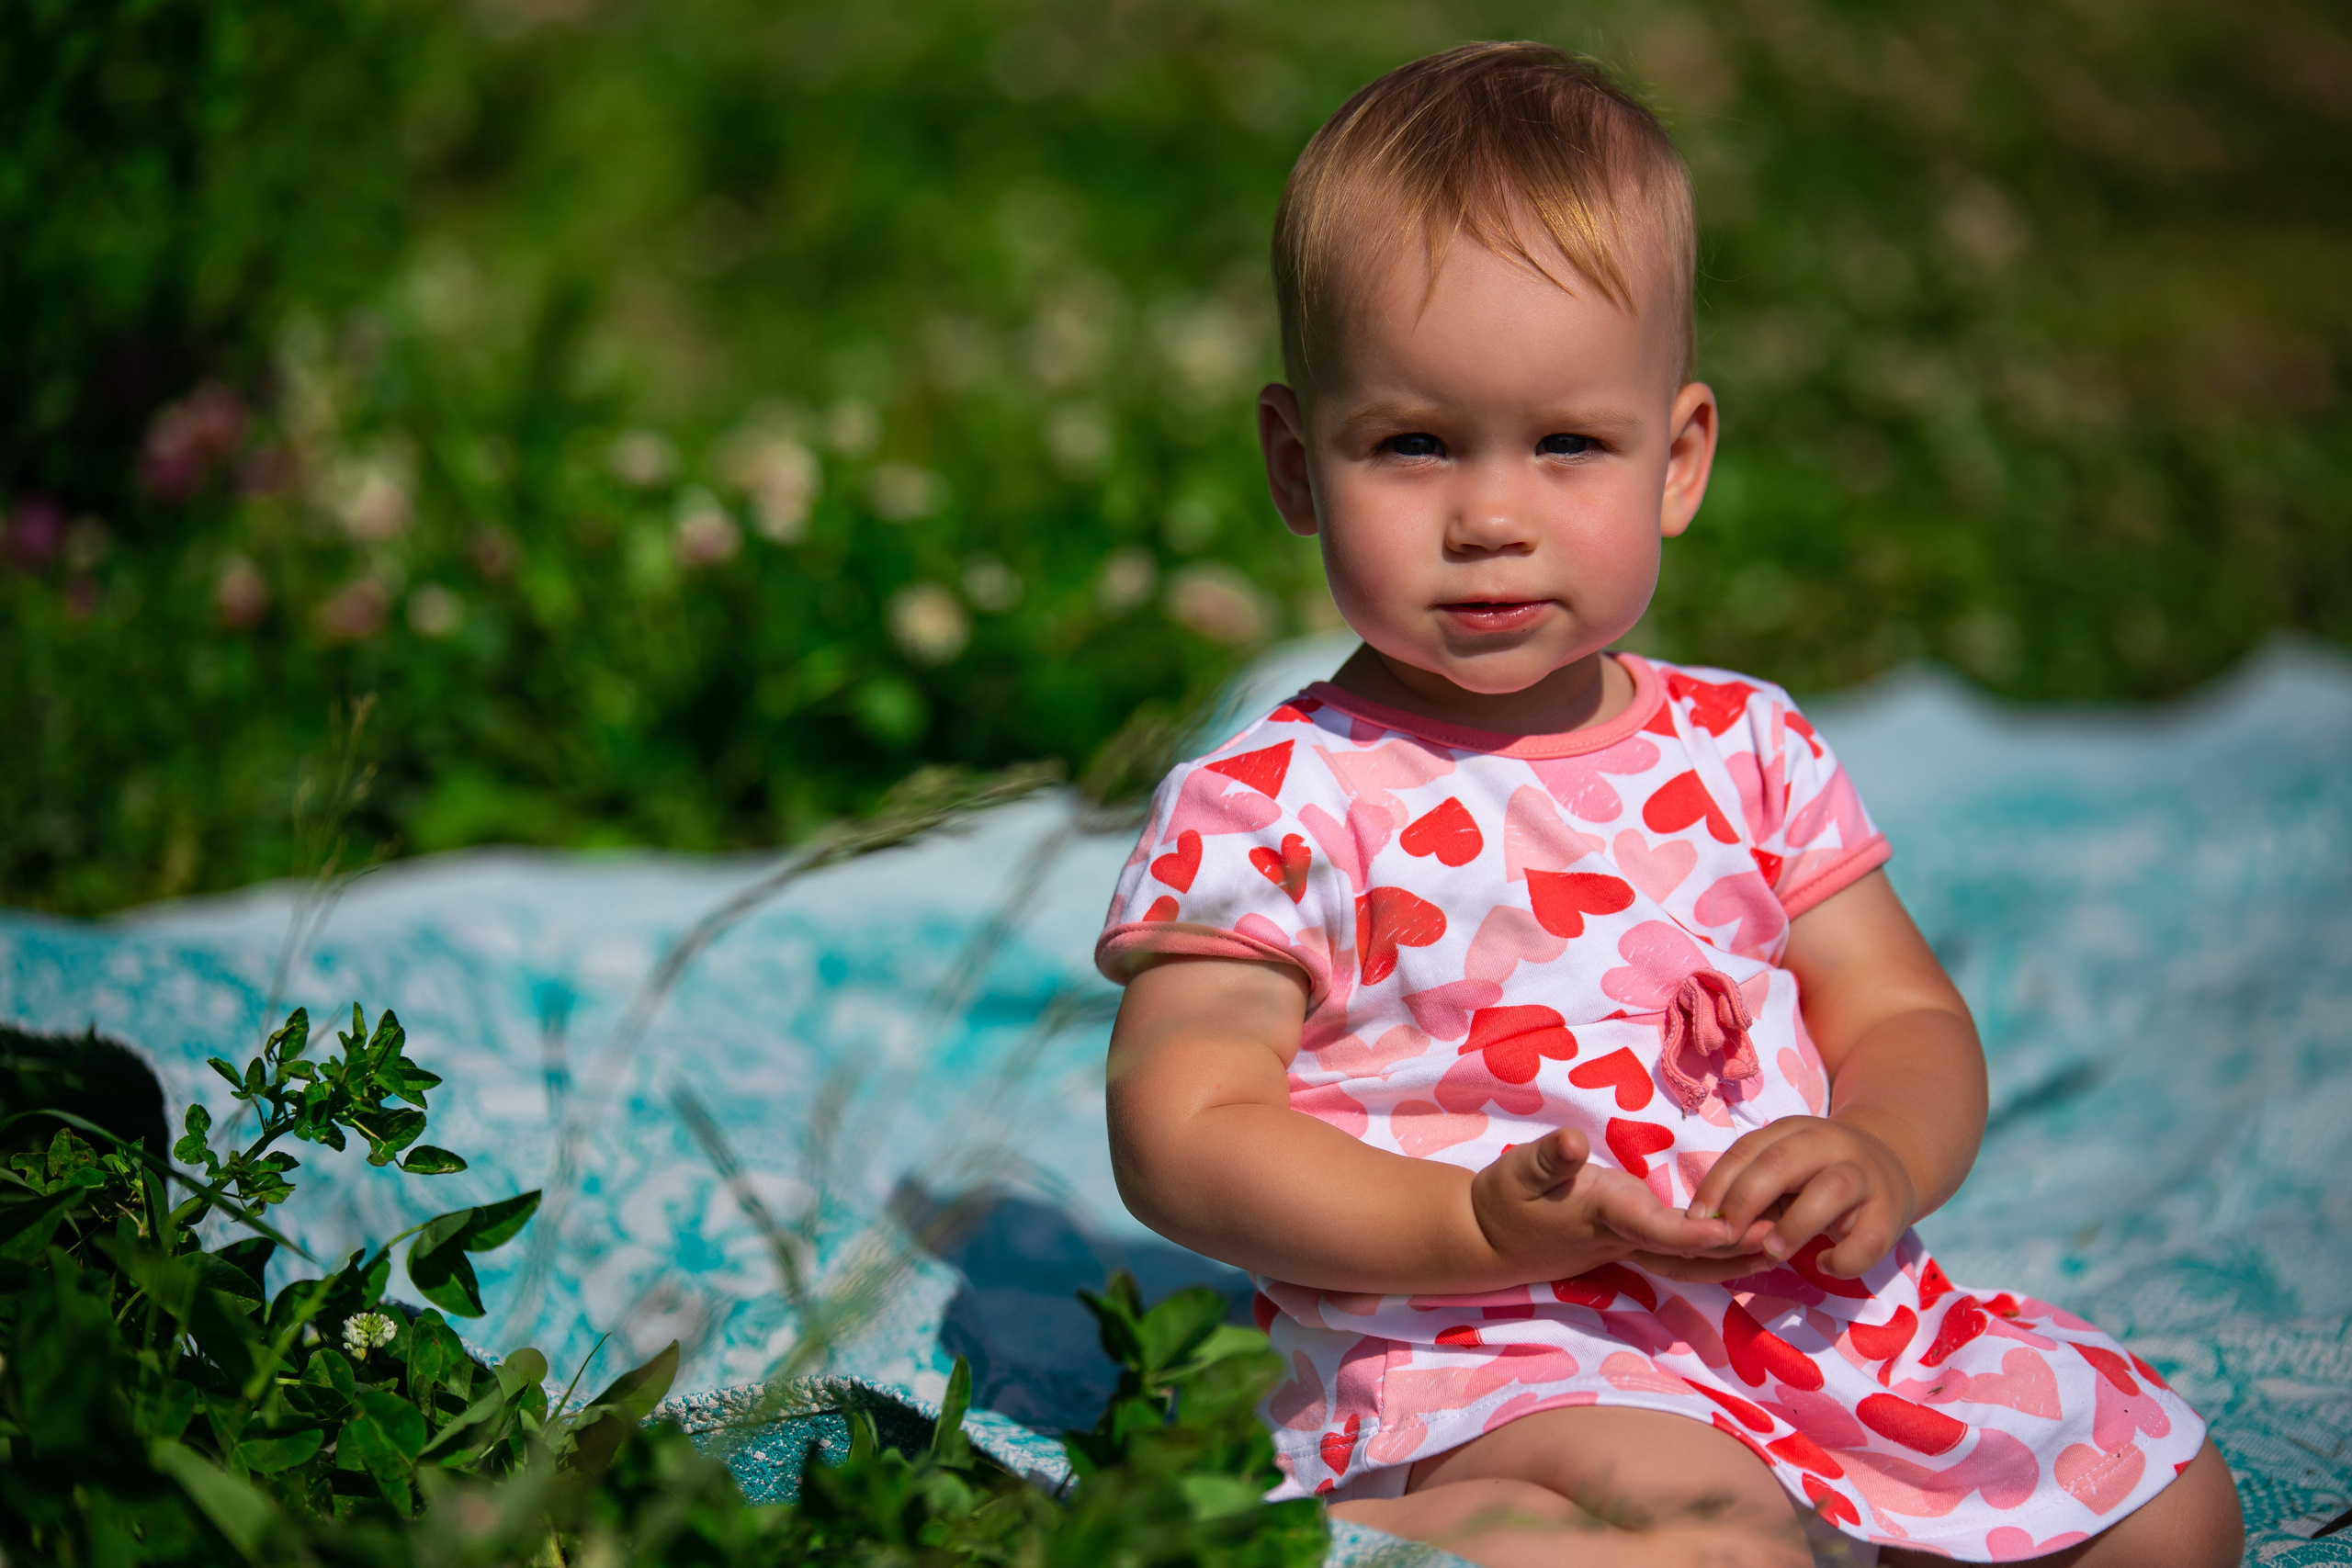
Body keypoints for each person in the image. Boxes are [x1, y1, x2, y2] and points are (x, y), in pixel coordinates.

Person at [1094, 41, 2244, 1568]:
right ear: (1299, 467)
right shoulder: (1275, 803)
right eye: (1413, 444)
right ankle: (1396, 1517)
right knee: (1713, 1532)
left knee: (2172, 1512)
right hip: (1485, 1345)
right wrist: (1472, 1229)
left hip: (1796, 1328)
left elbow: (1900, 1014)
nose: (1492, 517)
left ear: (1679, 459)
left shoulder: (1748, 748)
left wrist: (1880, 1159)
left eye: (1569, 443)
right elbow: (1180, 1126)